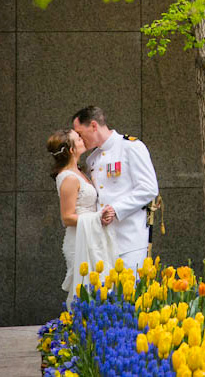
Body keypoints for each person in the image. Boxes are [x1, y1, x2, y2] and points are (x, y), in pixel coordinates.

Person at [72, 106, 159, 273]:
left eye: (80, 133)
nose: (80, 139)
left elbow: (149, 188)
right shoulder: (92, 159)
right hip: (102, 241)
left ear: (94, 125)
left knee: (129, 294)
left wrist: (117, 209)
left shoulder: (131, 147)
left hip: (129, 239)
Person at [48, 128, 115, 308]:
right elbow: (67, 217)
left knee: (99, 287)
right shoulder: (68, 178)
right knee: (84, 289)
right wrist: (97, 218)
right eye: (77, 138)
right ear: (71, 149)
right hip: (79, 239)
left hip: (91, 235)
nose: (81, 138)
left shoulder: (80, 171)